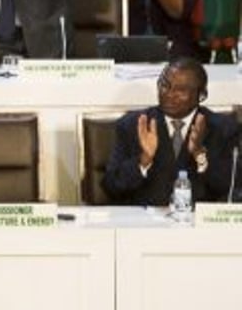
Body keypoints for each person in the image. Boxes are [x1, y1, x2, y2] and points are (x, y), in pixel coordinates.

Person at [102, 57, 238, 205]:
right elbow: (110, 188)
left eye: (181, 90)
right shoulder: (132, 125)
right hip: (144, 223)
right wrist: (144, 160)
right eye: (164, 85)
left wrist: (200, 155)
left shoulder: (224, 129)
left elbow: (232, 189)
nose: (169, 94)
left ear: (201, 95)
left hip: (198, 224)